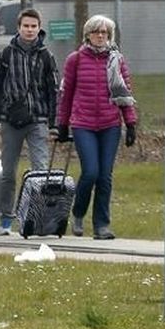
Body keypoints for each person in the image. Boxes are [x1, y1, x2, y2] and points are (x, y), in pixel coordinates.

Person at [56, 15, 137, 240]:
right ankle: (79, 212)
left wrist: (130, 123)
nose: (101, 36)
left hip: (110, 124)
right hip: (83, 124)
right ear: (88, 34)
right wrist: (62, 124)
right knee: (90, 172)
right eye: (96, 32)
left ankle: (102, 225)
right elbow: (67, 94)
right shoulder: (76, 59)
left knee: (105, 176)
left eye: (105, 32)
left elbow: (125, 93)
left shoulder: (116, 60)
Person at [0, 7, 59, 235]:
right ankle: (6, 219)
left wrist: (55, 124)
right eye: (26, 26)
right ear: (18, 28)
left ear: (39, 28)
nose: (29, 30)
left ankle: (38, 219)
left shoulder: (46, 56)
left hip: (38, 120)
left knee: (40, 172)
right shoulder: (5, 55)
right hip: (10, 120)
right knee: (8, 173)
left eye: (33, 26)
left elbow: (53, 92)